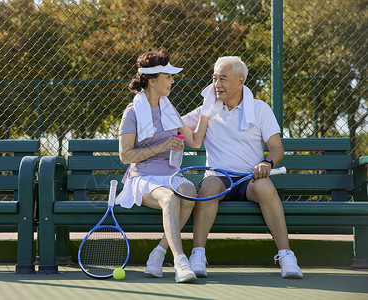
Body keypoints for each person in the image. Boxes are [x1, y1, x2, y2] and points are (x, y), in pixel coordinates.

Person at [182, 56, 303, 279]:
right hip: (218, 179)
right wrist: (148, 109)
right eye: (214, 78)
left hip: (249, 180)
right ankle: (197, 255)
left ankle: (286, 256)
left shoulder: (260, 109)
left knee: (266, 187)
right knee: (207, 187)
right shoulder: (207, 109)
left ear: (240, 81)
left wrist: (267, 163)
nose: (216, 85)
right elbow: (175, 124)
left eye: (223, 79)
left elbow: (277, 148)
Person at [115, 50, 210, 283]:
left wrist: (207, 110)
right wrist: (161, 146)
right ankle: (180, 261)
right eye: (168, 76)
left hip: (170, 175)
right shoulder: (132, 113)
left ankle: (158, 254)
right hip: (143, 178)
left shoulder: (170, 110)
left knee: (189, 194)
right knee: (170, 198)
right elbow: (125, 156)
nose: (172, 80)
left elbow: (195, 141)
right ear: (153, 80)